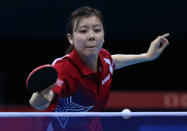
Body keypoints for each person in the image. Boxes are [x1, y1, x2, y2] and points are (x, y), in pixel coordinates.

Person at [29, 6, 169, 130]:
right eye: (83, 31)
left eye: (97, 30)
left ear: (103, 36)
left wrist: (146, 56)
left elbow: (113, 61)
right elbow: (38, 104)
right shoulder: (63, 69)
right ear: (70, 38)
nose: (91, 36)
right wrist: (42, 93)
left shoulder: (104, 57)